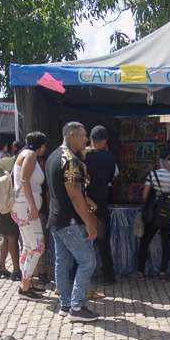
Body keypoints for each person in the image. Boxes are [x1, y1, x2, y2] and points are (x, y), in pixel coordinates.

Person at [47, 122, 99, 321]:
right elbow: (74, 195)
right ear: (71, 135)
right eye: (83, 136)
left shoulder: (54, 156)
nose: (86, 140)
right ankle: (77, 308)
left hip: (56, 218)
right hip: (69, 221)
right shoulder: (70, 160)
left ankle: (66, 304)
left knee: (63, 261)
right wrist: (90, 222)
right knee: (87, 262)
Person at [12, 132, 48, 299]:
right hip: (26, 206)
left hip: (21, 205)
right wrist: (33, 207)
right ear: (41, 145)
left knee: (28, 246)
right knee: (37, 247)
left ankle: (27, 284)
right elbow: (25, 181)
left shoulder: (23, 154)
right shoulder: (31, 155)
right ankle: (25, 286)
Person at [137, 148, 170, 278]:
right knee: (166, 244)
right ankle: (163, 272)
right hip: (168, 215)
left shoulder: (153, 175)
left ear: (159, 160)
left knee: (145, 242)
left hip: (153, 214)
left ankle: (140, 271)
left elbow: (145, 196)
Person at [85, 125, 118, 285]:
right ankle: (108, 276)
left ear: (91, 139)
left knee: (83, 240)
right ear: (105, 141)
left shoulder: (84, 157)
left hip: (85, 203)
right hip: (102, 203)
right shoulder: (110, 158)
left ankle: (79, 274)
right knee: (103, 242)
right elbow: (111, 178)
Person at [0, 150, 20, 282]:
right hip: (8, 209)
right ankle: (16, 269)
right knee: (12, 238)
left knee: (6, 238)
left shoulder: (0, 173)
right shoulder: (13, 169)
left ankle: (2, 267)